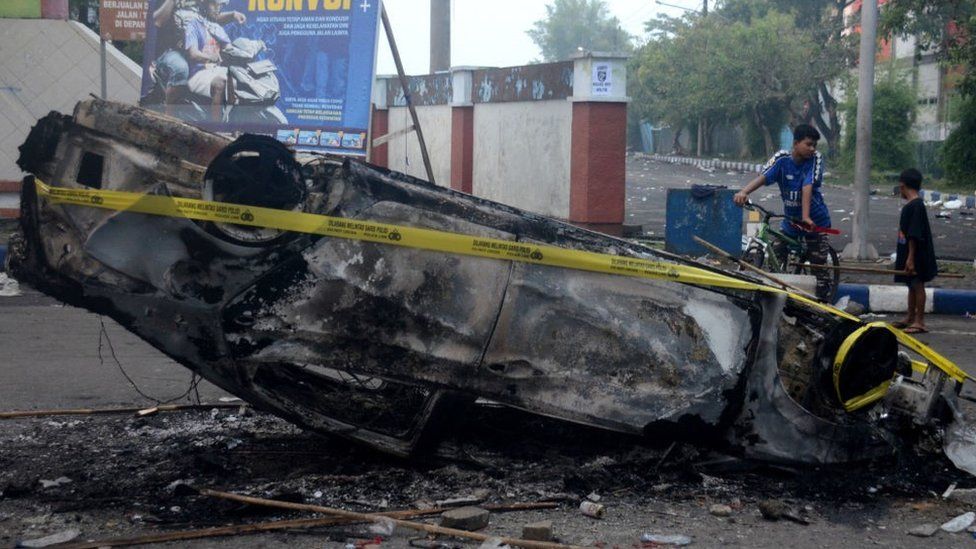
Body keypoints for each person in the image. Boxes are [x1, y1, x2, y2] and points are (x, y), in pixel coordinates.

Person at [733, 124, 833, 299]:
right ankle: (780, 299)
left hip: (815, 220)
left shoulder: (815, 159)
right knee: (777, 257)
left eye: (814, 145)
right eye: (808, 144)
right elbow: (764, 177)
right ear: (795, 143)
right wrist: (744, 192)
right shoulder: (782, 159)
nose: (812, 149)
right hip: (791, 221)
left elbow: (807, 185)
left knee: (819, 267)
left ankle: (825, 304)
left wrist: (806, 217)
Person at [892, 168, 937, 334]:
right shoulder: (912, 206)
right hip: (910, 253)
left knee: (918, 285)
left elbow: (914, 234)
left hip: (916, 254)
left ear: (903, 186)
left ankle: (920, 321)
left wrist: (910, 258)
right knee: (911, 285)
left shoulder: (916, 206)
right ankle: (910, 317)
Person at [184, 0, 235, 122]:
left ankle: (232, 122)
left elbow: (230, 49)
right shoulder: (193, 25)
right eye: (214, 4)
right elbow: (193, 54)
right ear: (204, 4)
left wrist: (248, 48)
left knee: (238, 81)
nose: (218, 8)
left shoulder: (217, 28)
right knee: (220, 84)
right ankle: (216, 128)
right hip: (198, 72)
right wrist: (211, 57)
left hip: (217, 70)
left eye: (220, 5)